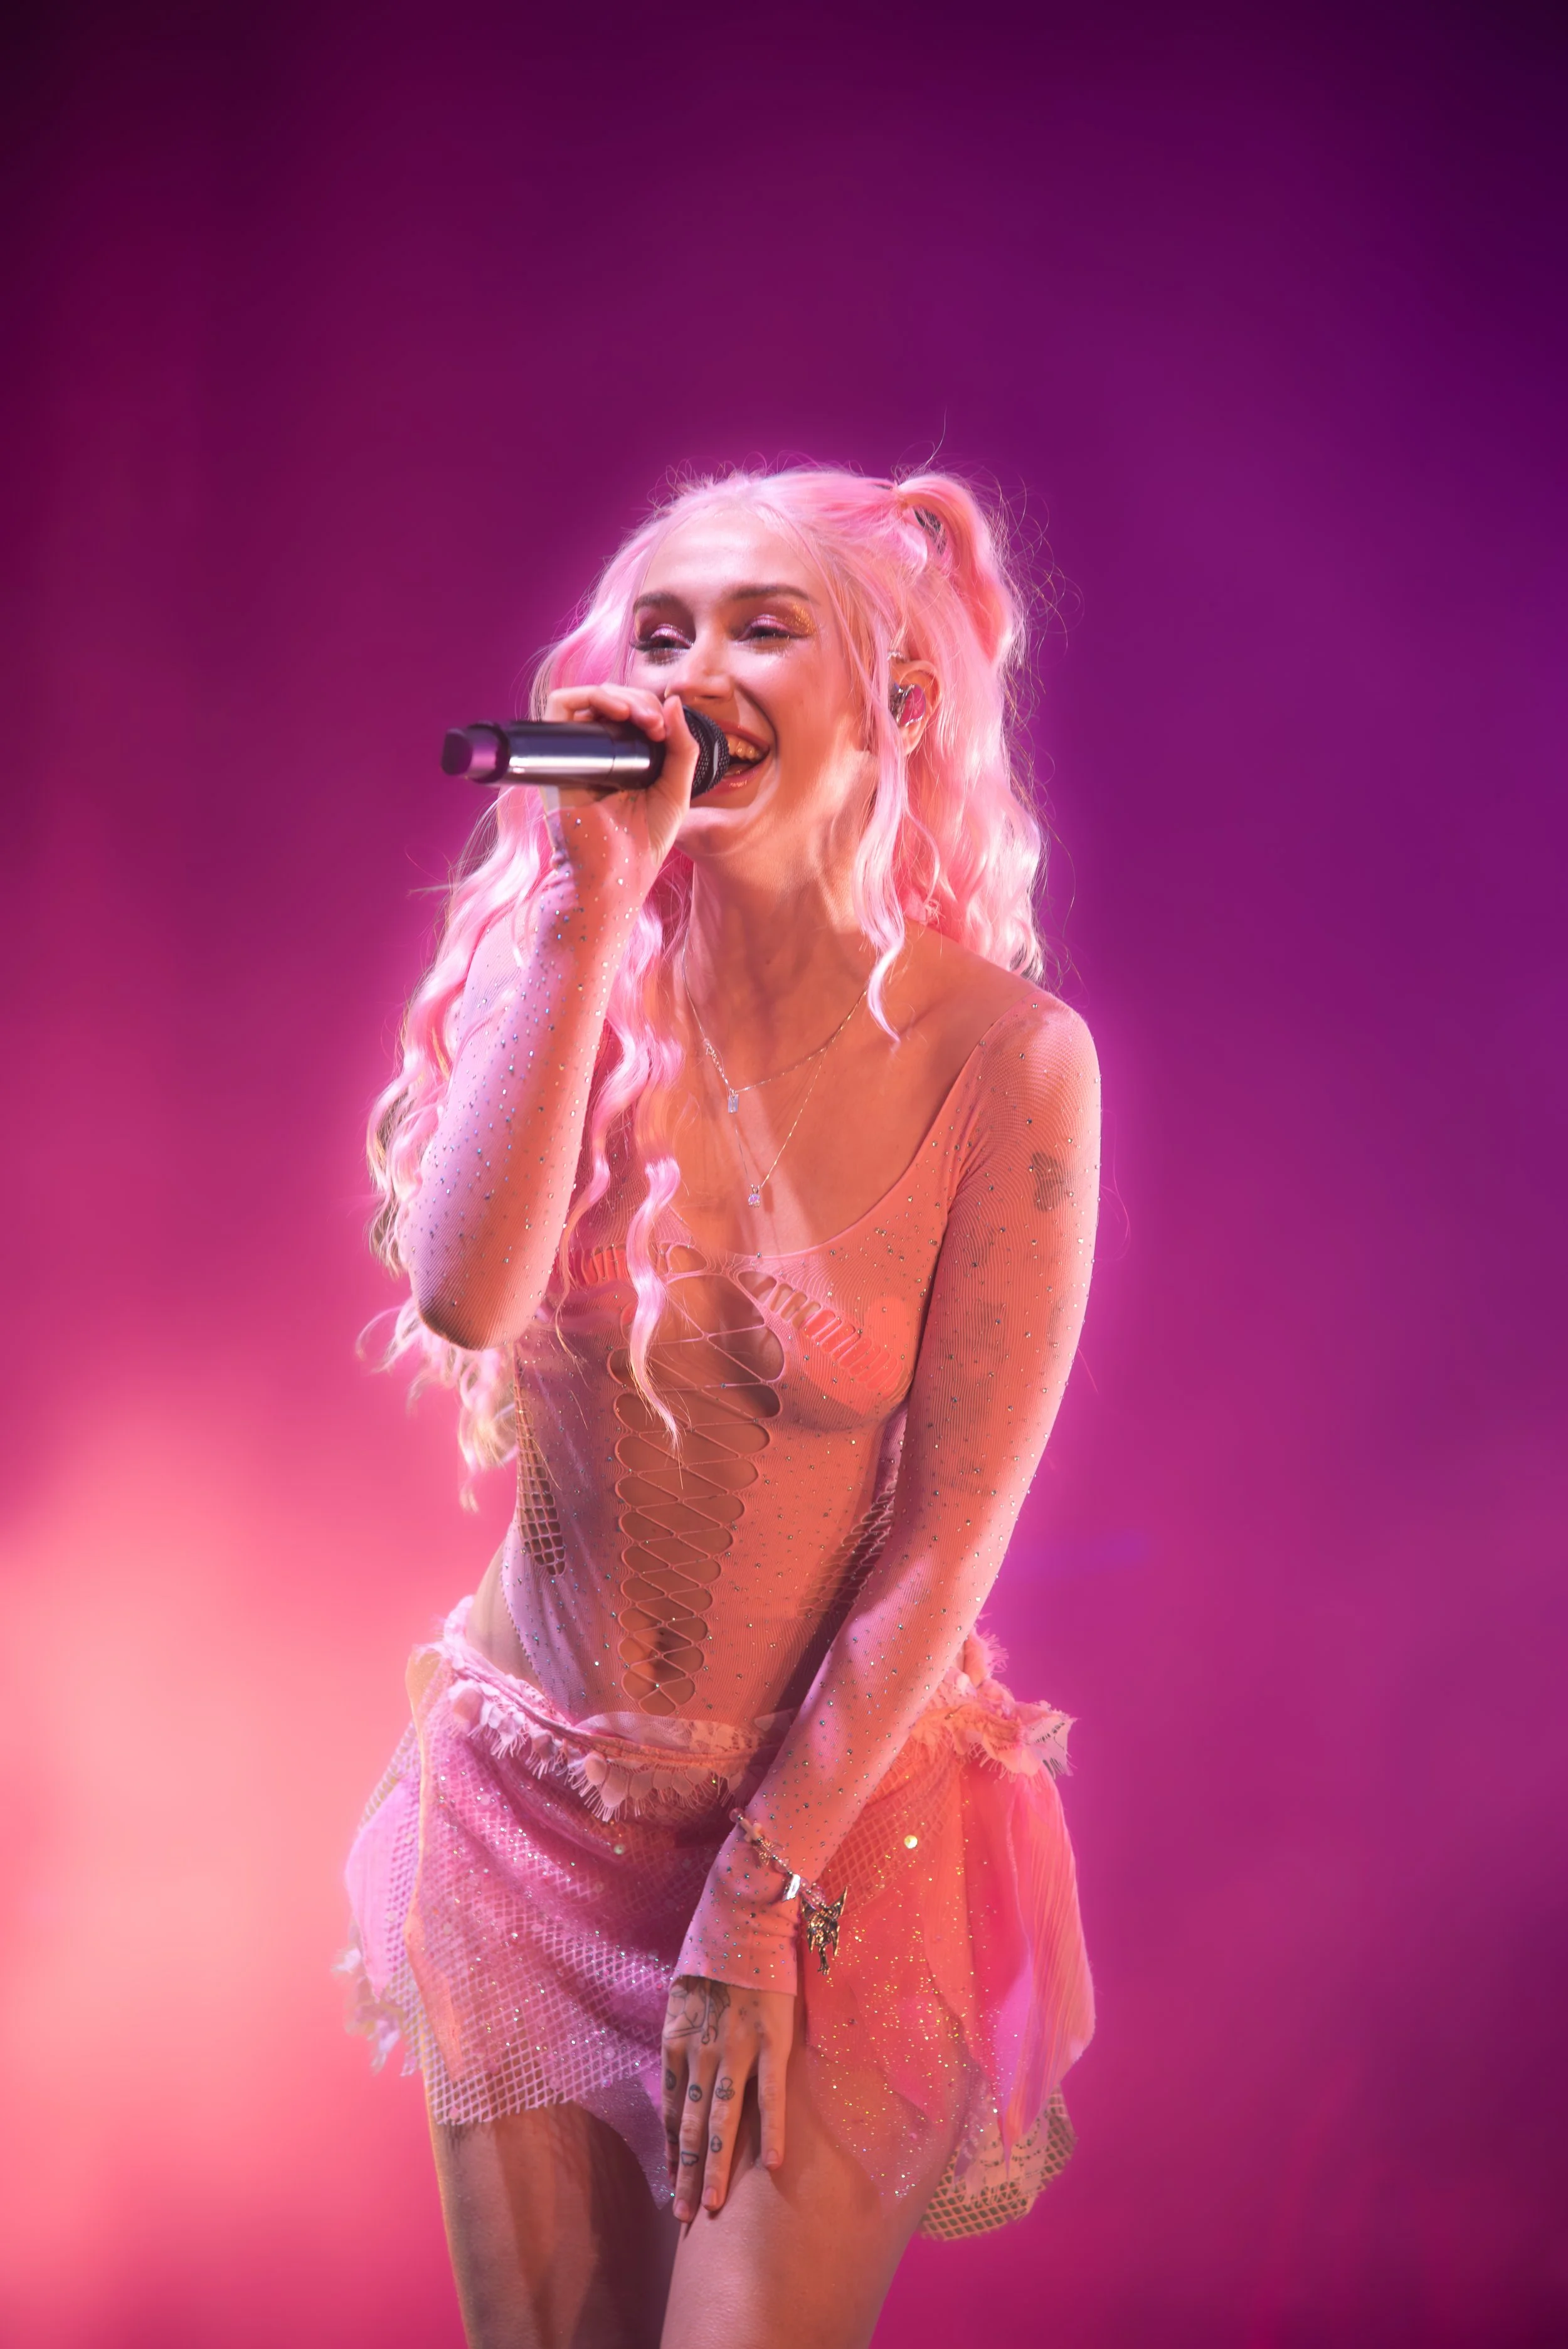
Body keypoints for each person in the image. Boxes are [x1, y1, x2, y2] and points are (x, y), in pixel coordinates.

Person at [344, 465, 1101, 2349]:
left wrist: (756, 1901)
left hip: (828, 1838)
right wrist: (581, 911)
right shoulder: (569, 989)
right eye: (661, 631)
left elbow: (949, 1534)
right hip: (525, 1820)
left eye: (762, 627)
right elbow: (463, 1295)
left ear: (896, 698)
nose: (693, 674)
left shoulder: (1008, 1061)